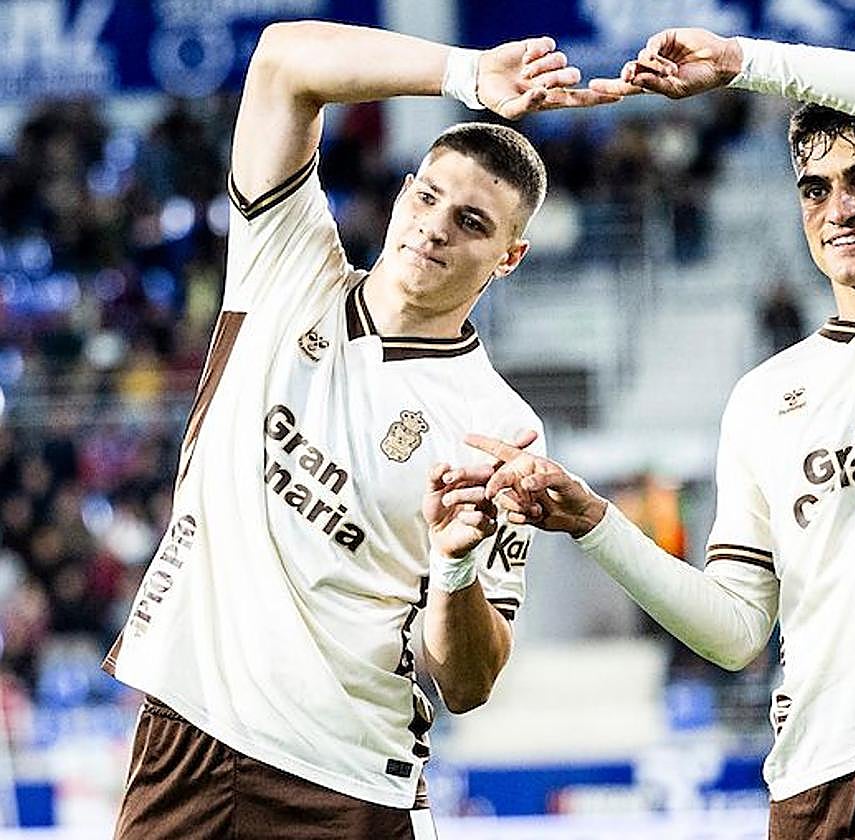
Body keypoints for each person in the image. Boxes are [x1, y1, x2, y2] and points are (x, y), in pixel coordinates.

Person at [469, 28, 855, 839]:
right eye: (817, 188)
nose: (844, 209)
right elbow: (735, 631)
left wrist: (740, 64)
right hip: (819, 782)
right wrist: (594, 524)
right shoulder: (762, 399)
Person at [102, 20, 618, 839]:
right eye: (429, 196)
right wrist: (468, 72)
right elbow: (280, 60)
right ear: (405, 188)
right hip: (187, 737)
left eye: (474, 223)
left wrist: (453, 568)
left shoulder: (500, 430)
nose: (437, 226)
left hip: (344, 785)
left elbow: (468, 682)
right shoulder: (287, 266)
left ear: (509, 258)